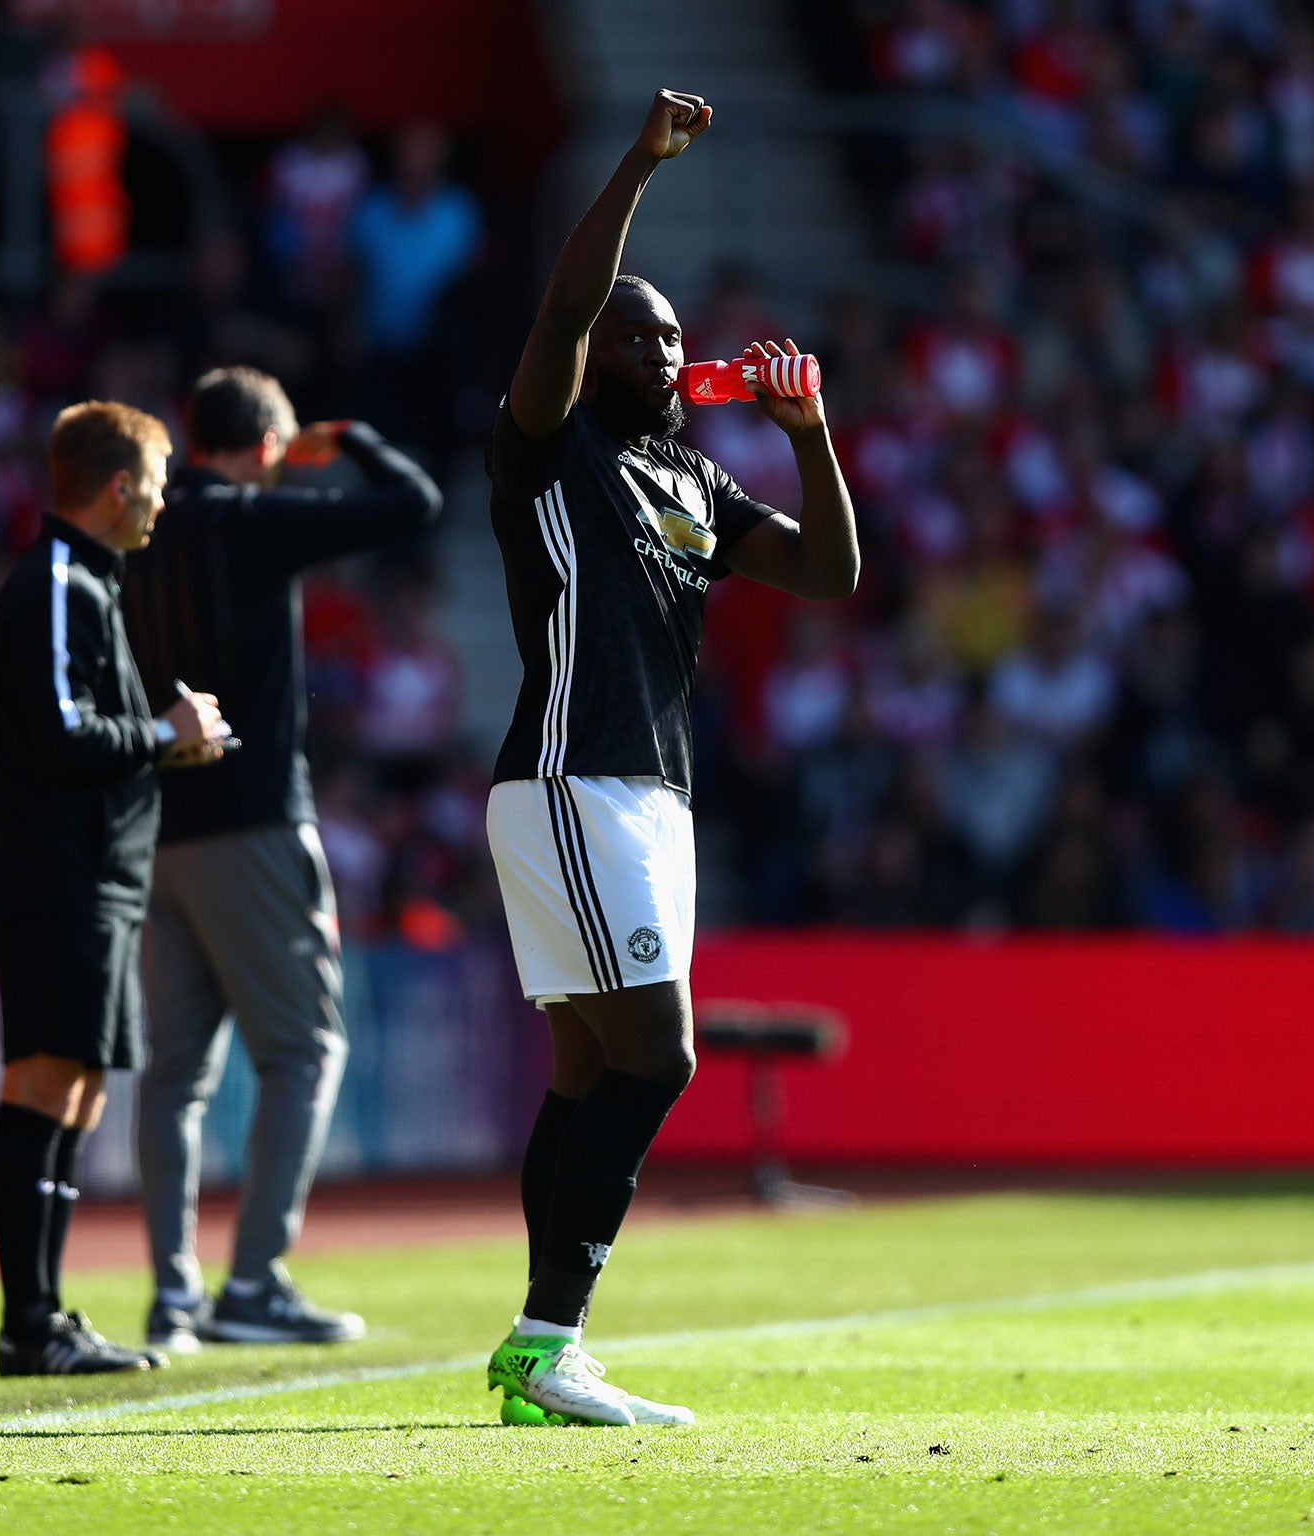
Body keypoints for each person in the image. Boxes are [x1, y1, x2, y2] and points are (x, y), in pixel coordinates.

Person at [481, 89, 860, 1426]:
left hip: (651, 796)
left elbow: (829, 571)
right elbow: (563, 317)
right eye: (638, 336)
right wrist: (639, 162)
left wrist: (807, 436)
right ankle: (549, 1337)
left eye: (674, 339)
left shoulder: (696, 479)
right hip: (573, 780)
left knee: (590, 1071)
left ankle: (540, 1351)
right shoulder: (547, 451)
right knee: (663, 1056)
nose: (659, 351)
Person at [122, 366, 441, 1351]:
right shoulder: (251, 520)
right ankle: (254, 1279)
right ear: (266, 446)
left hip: (156, 823)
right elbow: (414, 502)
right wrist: (344, 438)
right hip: (253, 824)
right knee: (302, 1049)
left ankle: (172, 1293)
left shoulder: (140, 528)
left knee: (173, 1073)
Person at [0, 400, 226, 1376]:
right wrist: (164, 733)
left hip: (94, 875)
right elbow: (61, 735)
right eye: (156, 484)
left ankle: (46, 1315)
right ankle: (26, 1322)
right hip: (55, 876)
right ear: (119, 487)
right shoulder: (54, 584)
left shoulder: (85, 584)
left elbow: (82, 738)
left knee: (73, 1091)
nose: (161, 503)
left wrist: (168, 742)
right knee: (43, 1081)